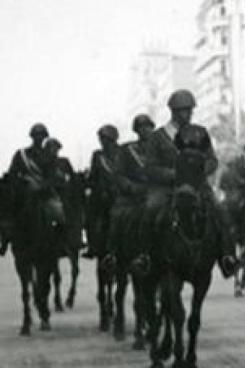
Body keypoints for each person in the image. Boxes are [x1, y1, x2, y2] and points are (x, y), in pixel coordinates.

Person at [135, 89, 236, 278]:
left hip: (197, 187)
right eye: (184, 110)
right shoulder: (158, 137)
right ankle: (144, 256)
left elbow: (212, 160)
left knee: (220, 211)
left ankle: (227, 257)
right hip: (168, 188)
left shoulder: (200, 132)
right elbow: (150, 167)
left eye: (190, 110)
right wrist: (174, 174)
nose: (189, 114)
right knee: (150, 209)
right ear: (174, 111)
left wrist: (198, 172)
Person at [101, 114, 155, 272]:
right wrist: (131, 187)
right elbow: (119, 174)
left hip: (158, 192)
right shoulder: (127, 150)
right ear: (137, 131)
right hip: (133, 195)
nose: (145, 130)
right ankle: (111, 255)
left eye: (148, 127)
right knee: (117, 214)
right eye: (141, 128)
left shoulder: (162, 148)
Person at [1, 123, 51, 255]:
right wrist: (22, 182)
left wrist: (43, 185)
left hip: (45, 193)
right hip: (24, 192)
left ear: (45, 137)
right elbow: (12, 173)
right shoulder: (21, 154)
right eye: (36, 135)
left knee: (60, 212)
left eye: (41, 136)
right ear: (32, 137)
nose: (38, 138)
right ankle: (5, 239)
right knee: (8, 209)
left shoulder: (49, 155)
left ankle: (64, 242)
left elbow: (53, 175)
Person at [84, 125, 124, 259]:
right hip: (103, 196)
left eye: (104, 138)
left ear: (112, 138)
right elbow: (93, 177)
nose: (102, 141)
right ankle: (92, 245)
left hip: (121, 193)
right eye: (101, 139)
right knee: (89, 214)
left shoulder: (124, 153)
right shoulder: (98, 155)